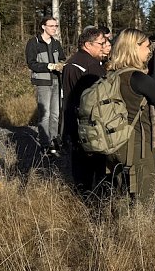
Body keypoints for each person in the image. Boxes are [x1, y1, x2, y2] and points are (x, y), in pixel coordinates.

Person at [106, 28, 155, 202]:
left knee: (120, 193)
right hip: (139, 146)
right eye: (145, 46)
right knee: (144, 197)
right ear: (134, 48)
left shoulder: (111, 75)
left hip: (113, 143)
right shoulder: (138, 78)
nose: (149, 50)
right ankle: (139, 228)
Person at [61, 27, 108, 196]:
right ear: (88, 45)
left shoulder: (71, 61)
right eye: (100, 44)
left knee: (79, 167)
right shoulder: (91, 66)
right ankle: (95, 201)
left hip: (73, 121)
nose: (103, 47)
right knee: (95, 169)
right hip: (89, 125)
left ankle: (83, 196)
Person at [25, 16, 66, 155]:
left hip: (56, 81)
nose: (54, 28)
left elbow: (62, 58)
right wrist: (48, 66)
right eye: (52, 25)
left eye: (56, 26)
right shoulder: (34, 43)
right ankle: (45, 143)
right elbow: (31, 63)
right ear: (43, 26)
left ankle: (54, 140)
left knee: (55, 113)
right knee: (45, 114)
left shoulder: (56, 43)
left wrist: (62, 65)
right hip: (43, 82)